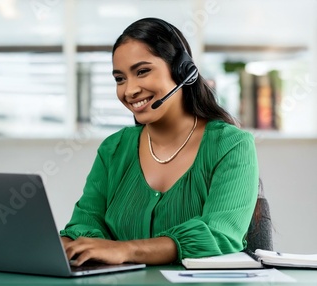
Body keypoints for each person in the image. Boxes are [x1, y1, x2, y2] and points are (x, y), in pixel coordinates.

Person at [59, 17, 259, 266]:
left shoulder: (231, 145)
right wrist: (72, 245)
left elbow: (220, 234)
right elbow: (83, 226)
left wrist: (126, 250)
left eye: (142, 72)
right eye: (120, 79)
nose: (129, 91)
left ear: (182, 71)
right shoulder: (113, 150)